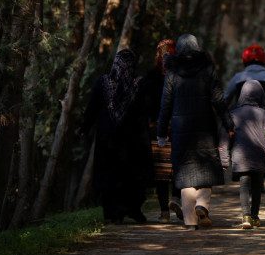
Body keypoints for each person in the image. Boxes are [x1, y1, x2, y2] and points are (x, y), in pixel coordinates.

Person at [157, 34, 235, 230]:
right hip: (204, 126)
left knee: (184, 174)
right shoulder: (207, 68)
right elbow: (218, 98)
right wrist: (229, 124)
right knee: (206, 168)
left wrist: (161, 132)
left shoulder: (172, 72)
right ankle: (202, 204)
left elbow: (165, 104)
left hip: (180, 128)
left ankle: (190, 222)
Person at [80, 49, 150, 224]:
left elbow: (91, 109)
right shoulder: (138, 85)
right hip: (131, 141)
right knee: (130, 175)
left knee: (111, 175)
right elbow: (147, 111)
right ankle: (130, 210)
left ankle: (115, 213)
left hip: (108, 139)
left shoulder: (103, 83)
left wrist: (84, 129)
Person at [219, 80, 265, 229]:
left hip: (241, 156)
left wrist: (224, 160)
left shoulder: (233, 114)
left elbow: (224, 137)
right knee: (258, 186)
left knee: (244, 185)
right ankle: (255, 216)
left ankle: (245, 215)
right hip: (260, 156)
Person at [141, 39, 177, 223]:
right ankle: (168, 207)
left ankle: (168, 208)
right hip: (169, 129)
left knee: (166, 171)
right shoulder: (154, 77)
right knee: (169, 171)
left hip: (162, 129)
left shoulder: (151, 77)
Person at [225, 44, 265, 113]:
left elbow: (226, 100)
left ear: (244, 60)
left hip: (242, 121)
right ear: (264, 59)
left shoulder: (238, 77)